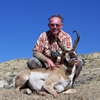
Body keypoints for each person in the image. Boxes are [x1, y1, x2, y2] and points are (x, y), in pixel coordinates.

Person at [27, 14, 84, 86]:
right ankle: (40, 84)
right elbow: (36, 52)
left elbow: (69, 53)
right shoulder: (43, 36)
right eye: (52, 25)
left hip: (62, 66)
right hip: (46, 66)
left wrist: (73, 60)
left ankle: (68, 85)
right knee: (32, 62)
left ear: (61, 25)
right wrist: (47, 60)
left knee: (79, 61)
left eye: (57, 25)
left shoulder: (66, 37)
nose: (55, 27)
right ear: (49, 25)